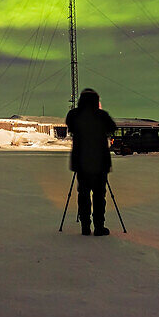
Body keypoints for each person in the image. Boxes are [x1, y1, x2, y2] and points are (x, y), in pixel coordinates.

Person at [65, 88, 117, 236]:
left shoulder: (74, 115)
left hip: (81, 162)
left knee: (83, 195)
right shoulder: (101, 115)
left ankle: (85, 226)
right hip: (100, 163)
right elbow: (112, 128)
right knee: (99, 196)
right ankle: (99, 226)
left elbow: (70, 127)